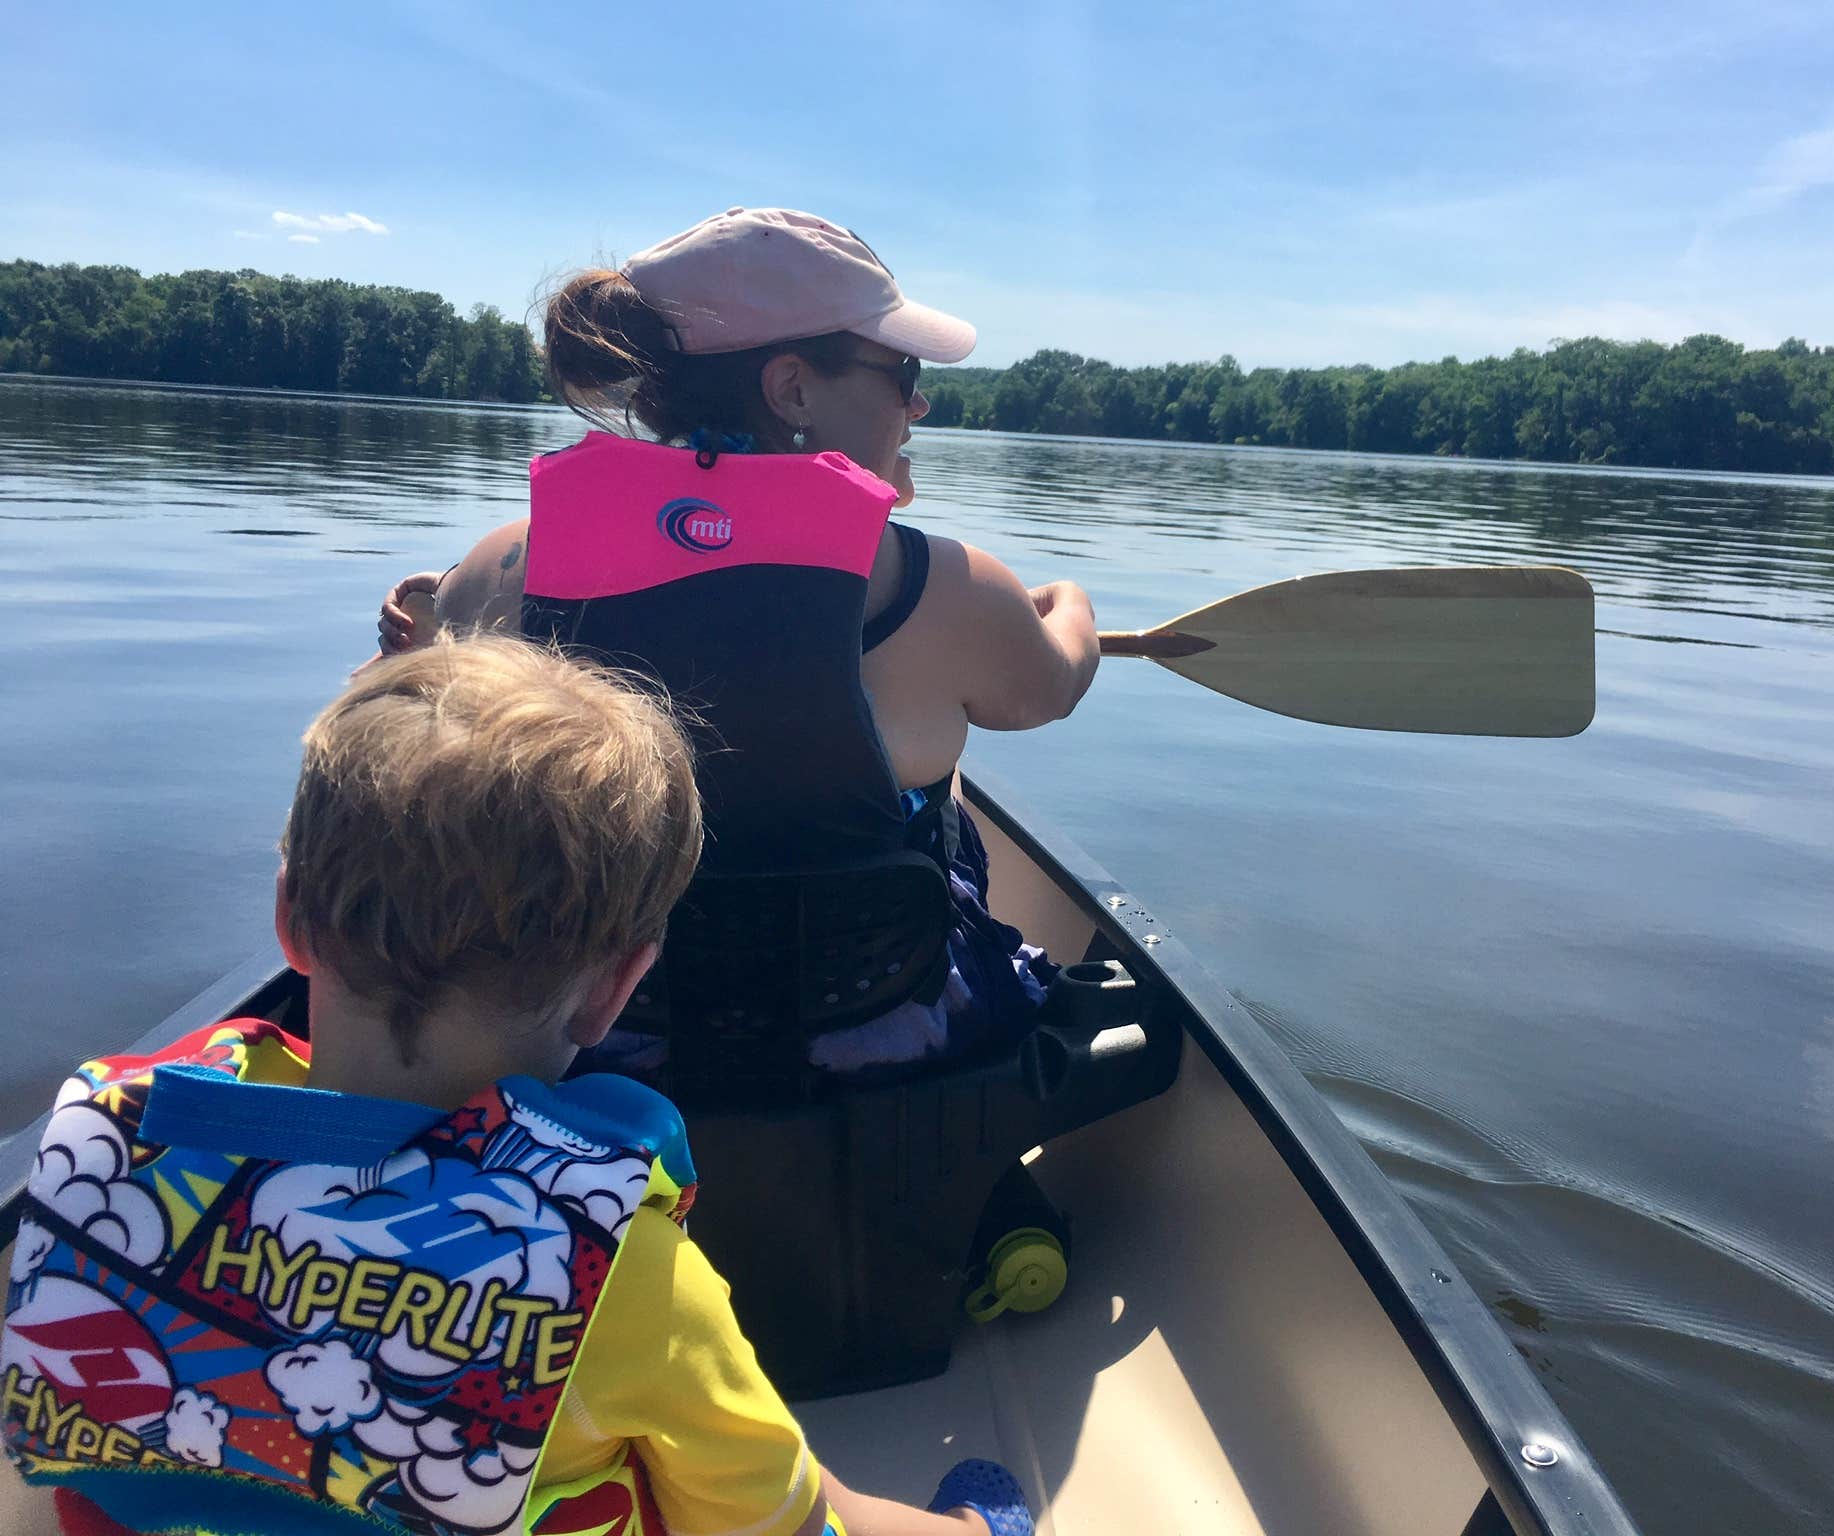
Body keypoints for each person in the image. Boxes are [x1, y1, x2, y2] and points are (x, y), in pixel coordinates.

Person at [0, 634, 1029, 1536]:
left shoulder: (108, 1147)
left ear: (290, 917)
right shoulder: (612, 1273)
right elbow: (783, 1524)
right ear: (615, 990)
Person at [374, 206, 1100, 1074]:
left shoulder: (500, 569)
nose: (920, 400)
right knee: (949, 831)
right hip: (872, 1024)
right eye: (902, 372)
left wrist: (422, 631)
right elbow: (1050, 689)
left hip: (602, 1032)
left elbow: (393, 723)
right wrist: (1065, 600)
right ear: (792, 388)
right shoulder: (949, 586)